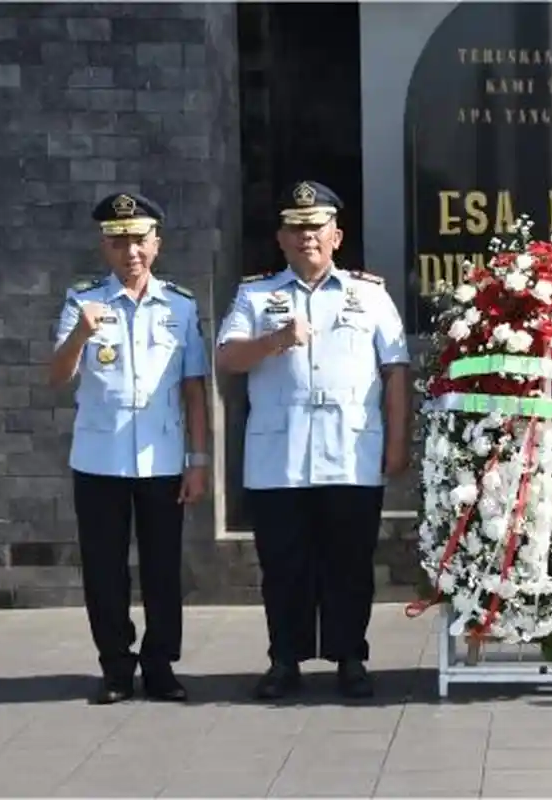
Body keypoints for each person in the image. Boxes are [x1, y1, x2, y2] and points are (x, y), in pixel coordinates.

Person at [215, 180, 410, 700]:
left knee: (349, 562)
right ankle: (285, 659)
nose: (307, 238)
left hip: (350, 452)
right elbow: (227, 359)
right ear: (280, 238)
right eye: (296, 229)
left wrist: (397, 443)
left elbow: (395, 370)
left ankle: (350, 657)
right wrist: (275, 340)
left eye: (316, 228)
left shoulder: (369, 295)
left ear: (337, 236)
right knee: (283, 565)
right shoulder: (256, 295)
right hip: (279, 454)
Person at [48, 192, 210, 705]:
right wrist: (80, 332)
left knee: (163, 568)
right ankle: (116, 667)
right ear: (105, 247)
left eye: (139, 240)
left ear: (156, 244)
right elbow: (56, 376)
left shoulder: (180, 306)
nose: (130, 251)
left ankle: (160, 665)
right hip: (99, 460)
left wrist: (199, 461)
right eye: (119, 241)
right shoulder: (82, 301)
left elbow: (194, 389)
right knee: (104, 569)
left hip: (162, 460)